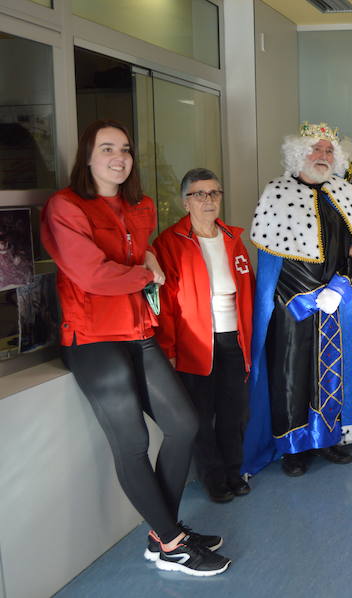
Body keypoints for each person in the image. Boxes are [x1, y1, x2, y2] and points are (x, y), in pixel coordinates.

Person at [40, 120, 230, 576]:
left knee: (184, 425)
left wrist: (146, 261)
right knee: (133, 442)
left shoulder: (140, 205)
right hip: (93, 339)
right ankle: (172, 541)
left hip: (138, 331)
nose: (118, 157)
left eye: (124, 149)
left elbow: (138, 254)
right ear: (88, 157)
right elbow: (92, 275)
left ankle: (163, 533)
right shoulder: (65, 206)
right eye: (107, 149)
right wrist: (148, 273)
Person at [243, 122, 352, 477]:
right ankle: (292, 447)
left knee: (329, 370)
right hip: (293, 305)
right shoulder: (276, 193)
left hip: (335, 300)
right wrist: (306, 297)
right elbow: (273, 262)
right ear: (298, 153)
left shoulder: (343, 194)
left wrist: (341, 287)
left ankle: (327, 439)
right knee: (291, 374)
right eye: (315, 149)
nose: (322, 156)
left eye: (329, 151)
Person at [153, 168, 255, 503]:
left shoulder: (231, 238)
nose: (208, 200)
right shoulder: (169, 243)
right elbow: (165, 304)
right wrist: (168, 349)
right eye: (200, 194)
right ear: (185, 202)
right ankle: (214, 479)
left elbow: (248, 290)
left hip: (233, 341)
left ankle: (234, 471)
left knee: (234, 413)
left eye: (214, 193)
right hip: (195, 345)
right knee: (200, 418)